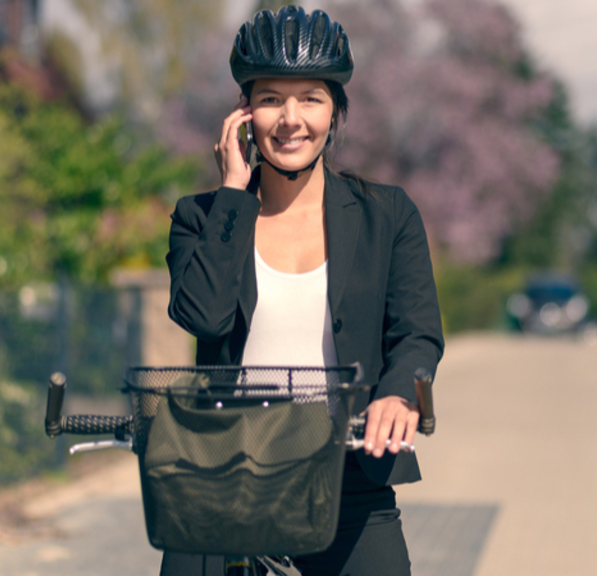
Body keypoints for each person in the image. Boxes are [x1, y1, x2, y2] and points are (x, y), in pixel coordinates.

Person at [162, 6, 444, 576]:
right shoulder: (202, 218)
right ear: (244, 115)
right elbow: (205, 317)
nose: (290, 119)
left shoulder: (386, 216)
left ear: (336, 111)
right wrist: (234, 198)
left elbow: (416, 333)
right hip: (224, 481)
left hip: (348, 484)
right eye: (270, 99)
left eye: (310, 98)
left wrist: (396, 394)